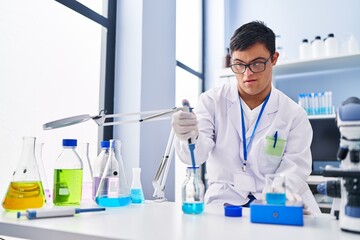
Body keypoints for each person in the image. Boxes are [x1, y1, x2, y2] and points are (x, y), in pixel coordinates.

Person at [172, 20, 321, 214]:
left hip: (274, 201)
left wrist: (271, 199)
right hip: (225, 199)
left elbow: (294, 169)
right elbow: (195, 156)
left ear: (274, 58)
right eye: (239, 64)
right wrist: (187, 136)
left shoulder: (294, 114)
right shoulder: (212, 101)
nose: (247, 73)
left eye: (257, 63)